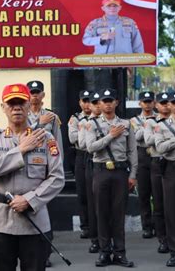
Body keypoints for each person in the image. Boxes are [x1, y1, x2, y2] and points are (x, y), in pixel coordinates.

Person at [0, 83, 64, 271]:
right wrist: (21, 150)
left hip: (35, 221)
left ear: (29, 106)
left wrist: (29, 200)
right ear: (3, 107)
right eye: (11, 103)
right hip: (0, 223)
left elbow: (57, 177)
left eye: (21, 103)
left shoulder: (46, 139)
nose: (16, 108)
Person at [85, 88, 137, 267]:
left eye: (111, 100)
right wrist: (110, 136)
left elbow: (132, 152)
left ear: (116, 102)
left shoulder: (127, 124)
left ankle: (120, 253)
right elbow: (90, 147)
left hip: (120, 173)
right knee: (102, 213)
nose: (107, 103)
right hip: (101, 172)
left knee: (118, 214)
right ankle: (104, 252)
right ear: (99, 104)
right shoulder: (91, 124)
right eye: (104, 100)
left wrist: (133, 175)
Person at [26, 80, 63, 267]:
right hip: (28, 171)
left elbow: (57, 144)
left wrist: (58, 167)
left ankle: (46, 253)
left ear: (43, 95)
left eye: (37, 92)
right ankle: (30, 253)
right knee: (29, 211)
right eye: (31, 92)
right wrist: (38, 124)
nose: (34, 95)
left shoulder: (52, 117)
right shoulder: (21, 115)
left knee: (46, 214)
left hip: (46, 169)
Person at [154, 91, 175, 267]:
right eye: (173, 102)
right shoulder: (161, 126)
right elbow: (160, 148)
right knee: (172, 212)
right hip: (172, 170)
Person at [143, 92, 171, 254]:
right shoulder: (150, 122)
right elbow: (148, 140)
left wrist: (161, 138)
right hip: (158, 163)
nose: (166, 105)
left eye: (168, 102)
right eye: (162, 103)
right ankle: (164, 239)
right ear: (156, 105)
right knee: (159, 204)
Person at [78, 91, 102, 254]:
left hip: (109, 164)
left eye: (96, 102)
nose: (93, 105)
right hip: (90, 161)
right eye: (91, 103)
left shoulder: (116, 122)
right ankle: (95, 238)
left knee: (107, 205)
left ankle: (110, 240)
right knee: (92, 202)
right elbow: (82, 143)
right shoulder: (84, 122)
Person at [130, 92, 156, 239]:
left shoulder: (160, 118)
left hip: (156, 154)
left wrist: (146, 128)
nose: (147, 104)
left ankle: (159, 226)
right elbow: (138, 136)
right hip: (142, 156)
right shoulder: (134, 120)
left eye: (150, 101)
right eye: (144, 101)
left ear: (154, 103)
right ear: (140, 103)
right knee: (144, 194)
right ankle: (147, 226)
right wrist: (149, 126)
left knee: (159, 195)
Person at [68, 90, 92, 239]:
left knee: (95, 193)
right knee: (83, 193)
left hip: (95, 155)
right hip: (81, 155)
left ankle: (97, 226)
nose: (87, 104)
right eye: (84, 101)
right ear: (80, 103)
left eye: (89, 100)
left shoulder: (100, 117)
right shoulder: (75, 118)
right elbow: (72, 138)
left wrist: (82, 132)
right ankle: (86, 226)